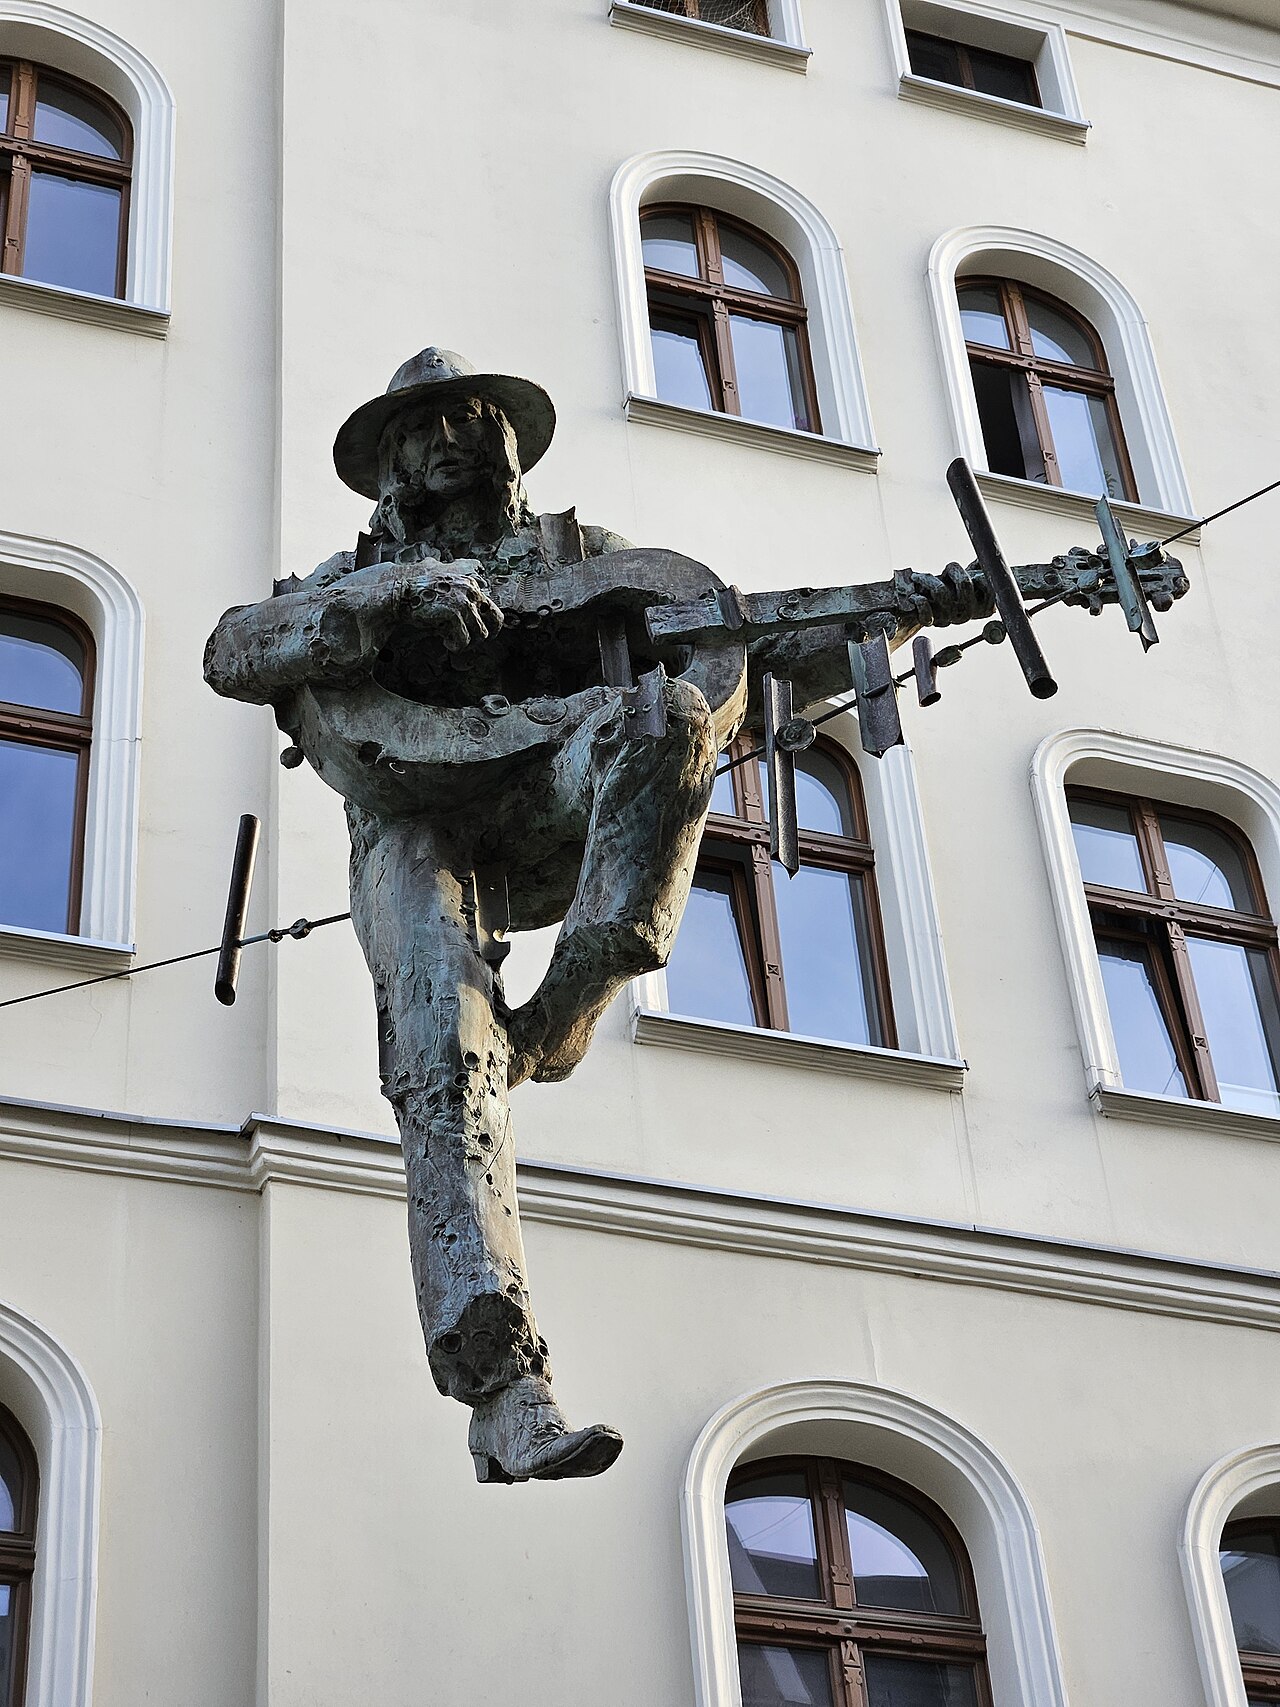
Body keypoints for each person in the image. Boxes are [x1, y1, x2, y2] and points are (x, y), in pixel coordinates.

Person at [204, 350, 724, 1482]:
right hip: (416, 817)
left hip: (552, 791)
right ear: (391, 462)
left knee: (671, 713)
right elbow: (232, 650)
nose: (453, 437)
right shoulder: (342, 576)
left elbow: (712, 641)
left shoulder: (585, 560)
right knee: (442, 1047)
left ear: (509, 446)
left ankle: (569, 1008)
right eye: (426, 424)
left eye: (476, 418)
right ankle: (505, 1390)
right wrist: (387, 596)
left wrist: (847, 635)